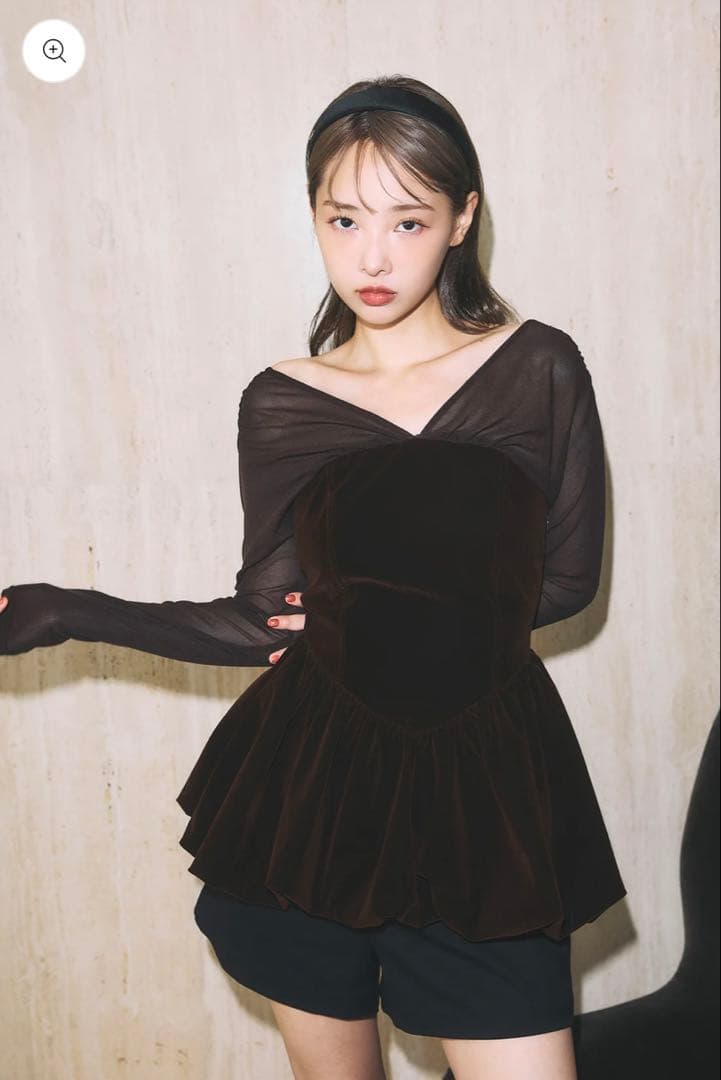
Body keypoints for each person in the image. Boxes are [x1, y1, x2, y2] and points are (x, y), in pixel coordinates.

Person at [1, 74, 627, 1080]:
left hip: (482, 800)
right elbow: (263, 618)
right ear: (314, 217)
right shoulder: (282, 402)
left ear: (462, 218)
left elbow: (566, 583)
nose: (371, 257)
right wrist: (69, 610)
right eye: (344, 219)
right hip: (312, 800)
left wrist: (410, 617)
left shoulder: (539, 366)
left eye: (407, 220)